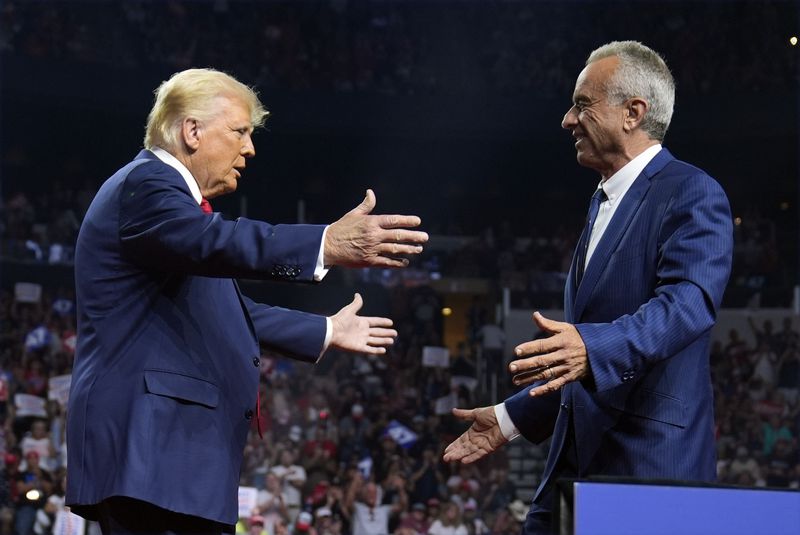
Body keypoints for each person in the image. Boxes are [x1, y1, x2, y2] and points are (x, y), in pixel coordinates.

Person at [65, 68, 428, 535]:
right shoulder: (148, 186)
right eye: (239, 132)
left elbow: (227, 312)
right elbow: (216, 241)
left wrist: (326, 330)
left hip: (170, 458)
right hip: (153, 450)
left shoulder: (169, 206)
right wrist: (323, 244)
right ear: (191, 131)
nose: (250, 148)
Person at [444, 41, 733, 534]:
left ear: (632, 113)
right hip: (572, 473)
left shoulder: (691, 192)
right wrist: (512, 419)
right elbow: (583, 358)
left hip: (646, 470)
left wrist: (589, 346)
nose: (566, 120)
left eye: (582, 104)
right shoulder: (601, 203)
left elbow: (688, 304)